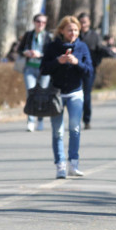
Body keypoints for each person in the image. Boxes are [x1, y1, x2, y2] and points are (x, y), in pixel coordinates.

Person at [40, 16, 93, 179]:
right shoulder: (52, 47)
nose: (73, 33)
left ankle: (73, 164)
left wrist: (77, 62)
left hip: (75, 93)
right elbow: (43, 69)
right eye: (70, 30)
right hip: (56, 94)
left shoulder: (82, 47)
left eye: (76, 30)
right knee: (57, 132)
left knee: (75, 129)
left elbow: (89, 71)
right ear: (62, 31)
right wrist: (58, 61)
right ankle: (60, 165)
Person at [17, 13, 53, 132]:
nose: (40, 24)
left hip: (44, 69)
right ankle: (30, 121)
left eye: (43, 22)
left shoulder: (49, 36)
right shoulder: (28, 35)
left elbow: (52, 53)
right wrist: (26, 53)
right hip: (30, 68)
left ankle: (40, 120)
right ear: (34, 22)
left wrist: (40, 55)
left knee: (42, 95)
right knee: (31, 94)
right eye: (38, 21)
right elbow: (19, 49)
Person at [77, 13, 105, 130]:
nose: (83, 24)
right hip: (75, 69)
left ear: (89, 22)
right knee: (76, 95)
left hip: (89, 69)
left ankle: (87, 120)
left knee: (86, 95)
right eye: (81, 22)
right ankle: (76, 119)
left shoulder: (94, 35)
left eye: (85, 22)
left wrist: (97, 62)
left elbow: (100, 50)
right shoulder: (75, 34)